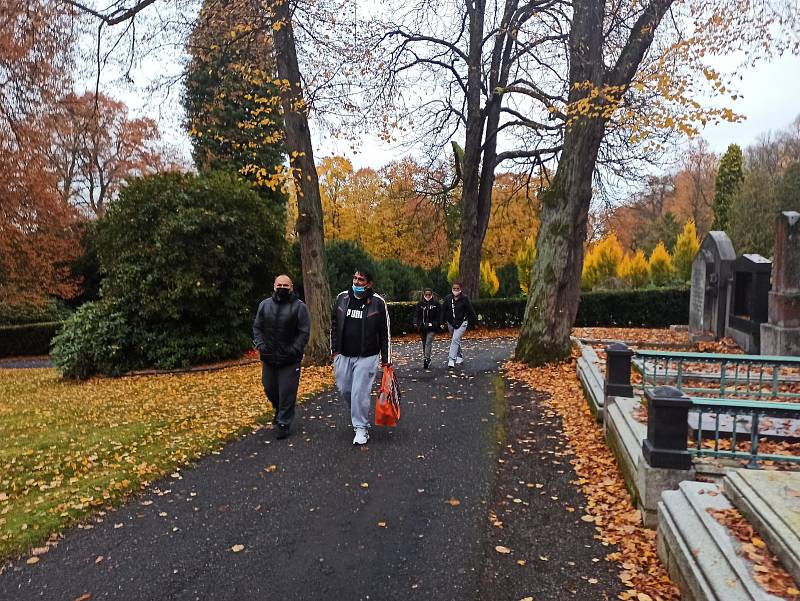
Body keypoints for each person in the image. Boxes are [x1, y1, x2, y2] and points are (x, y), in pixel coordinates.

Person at [331, 268, 391, 446]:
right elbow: (334, 324)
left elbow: (385, 332)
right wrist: (334, 351)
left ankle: (361, 428)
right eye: (355, 278)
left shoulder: (378, 303)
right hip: (343, 354)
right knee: (345, 389)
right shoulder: (342, 298)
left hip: (367, 356)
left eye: (361, 280)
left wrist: (386, 360)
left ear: (369, 284)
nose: (356, 282)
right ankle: (358, 413)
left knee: (359, 392)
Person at [253, 274, 310, 440]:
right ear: (274, 286)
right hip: (269, 357)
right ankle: (279, 410)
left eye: (286, 285)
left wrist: (294, 349)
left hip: (290, 359)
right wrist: (260, 345)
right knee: (269, 388)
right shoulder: (264, 305)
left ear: (291, 287)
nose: (282, 288)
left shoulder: (300, 307)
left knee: (287, 391)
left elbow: (304, 332)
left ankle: (284, 422)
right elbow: (257, 328)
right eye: (280, 285)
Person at [441, 281, 477, 369]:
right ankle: (459, 356)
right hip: (451, 323)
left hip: (462, 323)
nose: (456, 290)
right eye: (454, 289)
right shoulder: (448, 298)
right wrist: (442, 322)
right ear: (451, 289)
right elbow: (443, 311)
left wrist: (475, 322)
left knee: (455, 339)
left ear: (460, 289)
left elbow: (470, 311)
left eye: (457, 289)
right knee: (455, 340)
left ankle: (451, 359)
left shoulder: (465, 299)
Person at [413, 287, 441, 370]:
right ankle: (427, 357)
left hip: (432, 327)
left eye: (429, 294)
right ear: (424, 295)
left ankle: (426, 359)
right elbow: (416, 315)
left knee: (428, 342)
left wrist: (437, 324)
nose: (428, 296)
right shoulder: (420, 304)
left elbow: (439, 315)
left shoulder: (436, 304)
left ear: (432, 294)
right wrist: (416, 323)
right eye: (426, 294)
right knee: (424, 343)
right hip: (422, 327)